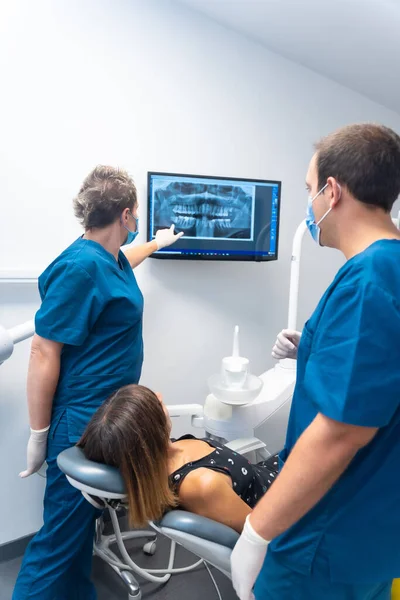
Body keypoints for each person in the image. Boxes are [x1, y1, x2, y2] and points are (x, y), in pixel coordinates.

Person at [231, 123, 400, 600]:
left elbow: (342, 431)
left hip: (324, 533)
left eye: (309, 190)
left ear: (332, 191)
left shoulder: (367, 282)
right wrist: (317, 345)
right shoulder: (390, 269)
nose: (309, 206)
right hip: (374, 529)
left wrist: (257, 532)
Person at [13, 166, 183, 600]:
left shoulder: (109, 257)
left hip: (104, 416)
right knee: (59, 536)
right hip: (80, 419)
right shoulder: (81, 268)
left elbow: (127, 259)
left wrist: (158, 243)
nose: (137, 223)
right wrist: (38, 433)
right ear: (126, 215)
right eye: (137, 217)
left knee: (77, 530)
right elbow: (42, 350)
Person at [78, 384, 279, 533]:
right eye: (157, 403)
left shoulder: (162, 456)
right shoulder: (200, 484)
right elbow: (262, 534)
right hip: (281, 505)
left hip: (270, 476)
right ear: (151, 434)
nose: (160, 396)